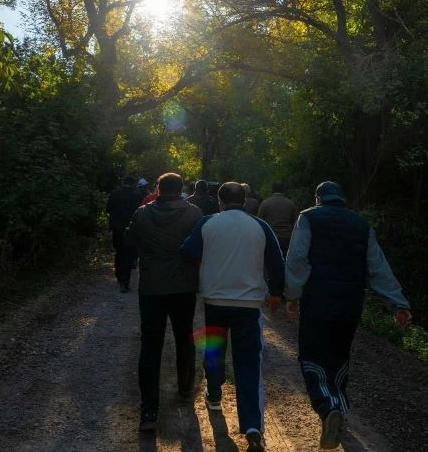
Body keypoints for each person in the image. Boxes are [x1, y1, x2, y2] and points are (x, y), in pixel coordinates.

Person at [284, 181, 412, 449]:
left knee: (312, 354)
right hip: (350, 303)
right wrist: (398, 304)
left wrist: (292, 295)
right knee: (339, 354)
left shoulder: (308, 217)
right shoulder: (361, 224)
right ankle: (339, 406)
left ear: (318, 198)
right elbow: (377, 267)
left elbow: (297, 259)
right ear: (341, 199)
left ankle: (326, 405)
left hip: (318, 301)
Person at [180, 182, 285, 452]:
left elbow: (187, 252)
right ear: (246, 200)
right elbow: (276, 262)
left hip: (215, 299)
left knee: (214, 350)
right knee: (248, 362)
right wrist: (276, 293)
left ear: (220, 201)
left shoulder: (207, 223)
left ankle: (214, 395)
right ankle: (251, 427)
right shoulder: (260, 226)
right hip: (249, 305)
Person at [124, 173, 204, 432]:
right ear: (180, 189)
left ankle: (149, 411)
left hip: (151, 289)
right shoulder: (193, 214)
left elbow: (129, 243)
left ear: (158, 189)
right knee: (184, 337)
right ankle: (184, 388)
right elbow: (199, 247)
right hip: (183, 288)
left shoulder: (141, 214)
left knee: (150, 345)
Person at [106, 176, 143, 292]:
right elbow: (140, 212)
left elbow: (108, 209)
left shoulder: (114, 194)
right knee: (128, 254)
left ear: (123, 182)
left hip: (117, 228)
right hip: (131, 229)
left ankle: (118, 276)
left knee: (119, 252)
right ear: (133, 184)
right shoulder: (137, 195)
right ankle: (125, 282)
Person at [257, 183, 298, 254]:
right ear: (283, 190)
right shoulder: (290, 203)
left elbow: (259, 221)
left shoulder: (265, 203)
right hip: (287, 237)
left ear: (272, 190)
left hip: (270, 236)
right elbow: (295, 222)